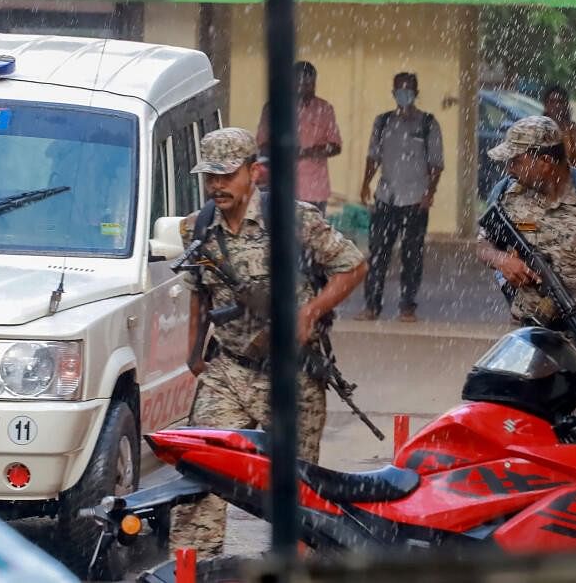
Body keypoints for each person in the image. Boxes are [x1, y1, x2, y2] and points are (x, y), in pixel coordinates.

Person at [168, 127, 366, 558]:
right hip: (231, 369)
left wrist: (309, 312)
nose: (216, 186)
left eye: (225, 175)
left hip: (291, 374)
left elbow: (353, 265)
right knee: (202, 473)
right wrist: (193, 352)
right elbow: (200, 292)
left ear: (253, 172)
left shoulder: (293, 219)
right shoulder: (196, 229)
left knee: (295, 489)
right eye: (209, 177)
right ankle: (192, 568)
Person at [477, 116, 576, 352]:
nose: (509, 168)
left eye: (516, 161)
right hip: (528, 338)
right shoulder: (506, 195)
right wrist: (501, 260)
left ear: (545, 162)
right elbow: (482, 244)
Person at [356, 72, 444, 323]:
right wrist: (365, 184)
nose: (403, 94)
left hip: (416, 200)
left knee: (412, 255)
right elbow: (373, 157)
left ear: (416, 92)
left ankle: (407, 307)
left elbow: (436, 164)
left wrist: (430, 192)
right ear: (393, 92)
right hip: (386, 197)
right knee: (378, 253)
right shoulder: (382, 122)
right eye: (399, 89)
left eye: (409, 89)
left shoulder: (428, 124)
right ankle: (372, 306)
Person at [256, 62, 342, 214]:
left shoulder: (325, 109)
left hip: (314, 190)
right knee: (278, 235)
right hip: (281, 187)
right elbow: (262, 144)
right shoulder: (273, 108)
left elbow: (336, 146)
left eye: (310, 84)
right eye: (302, 83)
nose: (307, 89)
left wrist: (307, 152)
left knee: (313, 235)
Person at [542, 84, 576, 174]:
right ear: (546, 105)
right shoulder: (537, 129)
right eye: (552, 102)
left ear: (566, 105)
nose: (556, 106)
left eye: (560, 102)